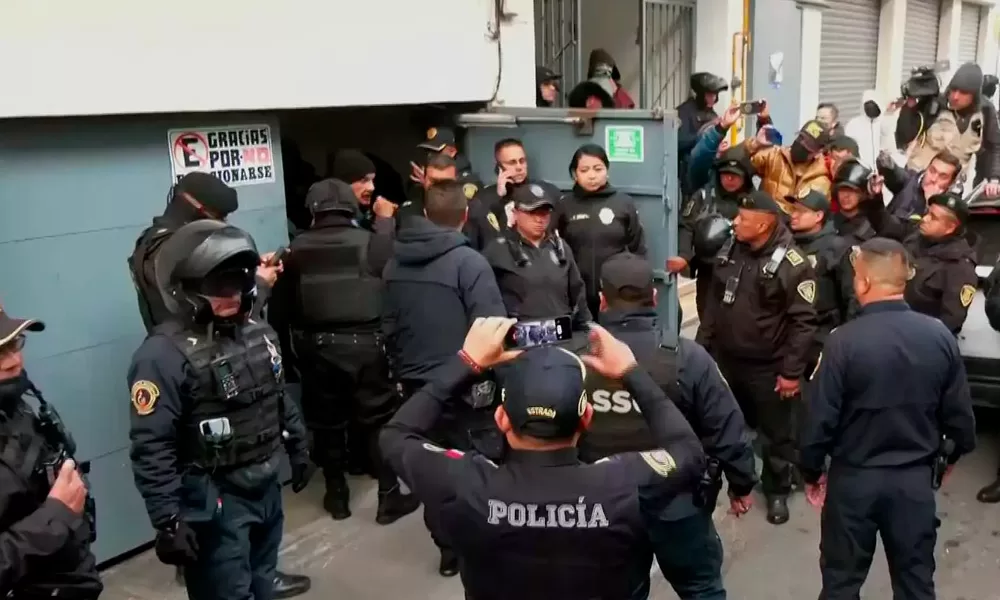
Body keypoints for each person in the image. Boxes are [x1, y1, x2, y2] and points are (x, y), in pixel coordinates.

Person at [380, 316, 706, 599]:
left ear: (502, 418)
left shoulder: (464, 483)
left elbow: (395, 435)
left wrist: (467, 362)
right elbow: (689, 452)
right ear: (586, 417)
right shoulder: (624, 484)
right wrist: (631, 372)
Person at [127, 174, 306, 597]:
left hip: (264, 484)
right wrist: (168, 520)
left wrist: (298, 446)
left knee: (262, 577)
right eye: (216, 287)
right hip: (214, 496)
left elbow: (276, 394)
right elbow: (152, 445)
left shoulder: (258, 332)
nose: (230, 297)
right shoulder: (162, 356)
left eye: (237, 284)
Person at [800, 237, 976, 600]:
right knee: (915, 582)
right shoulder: (939, 336)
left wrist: (812, 471)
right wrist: (952, 454)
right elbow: (960, 416)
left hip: (854, 481)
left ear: (863, 282)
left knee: (841, 582)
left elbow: (820, 420)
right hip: (912, 481)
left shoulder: (842, 342)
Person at [578, 253, 756, 600]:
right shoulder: (687, 358)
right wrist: (742, 483)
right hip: (678, 504)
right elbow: (726, 430)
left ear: (601, 300)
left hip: (602, 506)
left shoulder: (575, 359)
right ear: (655, 298)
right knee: (701, 589)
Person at [267, 179, 419, 525]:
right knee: (378, 422)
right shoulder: (370, 242)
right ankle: (388, 496)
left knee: (327, 424)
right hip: (368, 346)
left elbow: (280, 311)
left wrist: (288, 363)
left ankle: (336, 496)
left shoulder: (294, 251)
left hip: (315, 349)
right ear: (350, 207)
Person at [382, 180, 506, 576]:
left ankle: (447, 549)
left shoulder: (393, 263)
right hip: (470, 387)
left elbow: (387, 327)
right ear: (465, 216)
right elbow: (493, 329)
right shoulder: (470, 264)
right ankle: (481, 548)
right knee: (481, 469)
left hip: (419, 393)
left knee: (433, 471)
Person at [697, 189, 818, 524]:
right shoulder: (731, 247)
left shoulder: (793, 265)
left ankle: (777, 492)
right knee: (720, 423)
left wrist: (792, 372)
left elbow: (803, 323)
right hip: (727, 360)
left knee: (777, 434)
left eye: (743, 219)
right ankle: (722, 484)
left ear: (764, 224)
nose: (734, 222)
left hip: (769, 367)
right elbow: (714, 304)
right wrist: (700, 350)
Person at [0, 308, 102, 599]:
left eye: (14, 344)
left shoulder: (15, 402)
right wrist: (55, 516)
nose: (14, 361)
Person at [864, 174, 978, 334]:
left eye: (933, 217)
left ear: (950, 227)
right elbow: (886, 225)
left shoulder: (959, 266)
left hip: (921, 340)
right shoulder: (916, 234)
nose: (924, 219)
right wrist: (875, 198)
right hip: (889, 326)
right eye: (927, 213)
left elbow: (951, 322)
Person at [129, 172, 239, 332]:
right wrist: (260, 284)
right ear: (193, 207)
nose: (222, 223)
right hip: (194, 351)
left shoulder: (152, 239)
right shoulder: (175, 249)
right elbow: (214, 315)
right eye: (218, 216)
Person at [556, 143, 647, 317]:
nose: (592, 176)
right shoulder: (564, 206)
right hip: (575, 292)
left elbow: (638, 248)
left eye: (598, 169)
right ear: (575, 174)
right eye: (585, 170)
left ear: (607, 170)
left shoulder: (623, 203)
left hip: (616, 293)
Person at [482, 184, 592, 328]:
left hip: (561, 333)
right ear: (515, 212)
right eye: (532, 212)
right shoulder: (497, 250)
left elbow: (578, 293)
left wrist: (586, 327)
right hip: (520, 337)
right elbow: (486, 300)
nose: (539, 219)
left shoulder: (561, 247)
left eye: (544, 213)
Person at [674, 144, 755, 319]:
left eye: (735, 176)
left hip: (742, 272)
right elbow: (686, 226)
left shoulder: (755, 202)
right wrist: (684, 255)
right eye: (726, 175)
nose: (730, 180)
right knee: (707, 317)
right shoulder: (704, 196)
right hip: (708, 271)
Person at [897, 62, 1000, 193]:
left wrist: (994, 178)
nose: (956, 96)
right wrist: (909, 106)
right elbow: (904, 137)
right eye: (954, 89)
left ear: (974, 95)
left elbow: (994, 146)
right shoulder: (935, 104)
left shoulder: (985, 110)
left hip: (950, 189)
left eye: (963, 92)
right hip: (916, 181)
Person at [787, 190, 853, 362]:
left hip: (823, 335)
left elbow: (851, 297)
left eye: (800, 211)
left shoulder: (837, 248)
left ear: (818, 216)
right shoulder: (786, 243)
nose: (793, 215)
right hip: (788, 333)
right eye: (792, 210)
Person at [398, 153, 495, 250]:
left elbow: (494, 252)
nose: (439, 187)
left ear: (456, 181)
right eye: (433, 181)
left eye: (446, 182)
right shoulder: (407, 213)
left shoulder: (475, 210)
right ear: (424, 179)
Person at [475, 138, 562, 238]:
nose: (519, 167)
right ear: (498, 167)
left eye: (522, 161)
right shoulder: (485, 197)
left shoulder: (547, 191)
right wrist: (500, 198)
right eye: (512, 162)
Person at [742, 120, 833, 211]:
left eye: (808, 144)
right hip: (765, 219)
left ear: (818, 152)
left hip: (797, 224)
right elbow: (739, 165)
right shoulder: (775, 156)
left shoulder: (822, 181)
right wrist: (755, 144)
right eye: (801, 137)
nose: (802, 144)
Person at [677, 73, 729, 196]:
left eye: (715, 95)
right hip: (688, 171)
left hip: (709, 171)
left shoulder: (713, 115)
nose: (713, 99)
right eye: (709, 95)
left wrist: (719, 149)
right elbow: (679, 141)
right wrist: (702, 136)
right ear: (700, 94)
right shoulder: (685, 111)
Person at [878, 149, 962, 219]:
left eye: (942, 176)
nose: (934, 179)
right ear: (927, 168)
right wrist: (887, 164)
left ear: (950, 183)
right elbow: (896, 175)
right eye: (932, 171)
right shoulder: (910, 180)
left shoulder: (948, 208)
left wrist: (930, 204)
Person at [832, 159, 878, 246]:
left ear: (864, 193)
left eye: (852, 191)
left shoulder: (871, 227)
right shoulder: (828, 222)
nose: (846, 195)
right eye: (842, 190)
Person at [844, 90, 892, 169]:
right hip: (860, 168)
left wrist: (887, 113)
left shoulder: (881, 122)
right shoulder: (853, 124)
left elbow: (887, 136)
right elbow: (849, 147)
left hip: (878, 168)